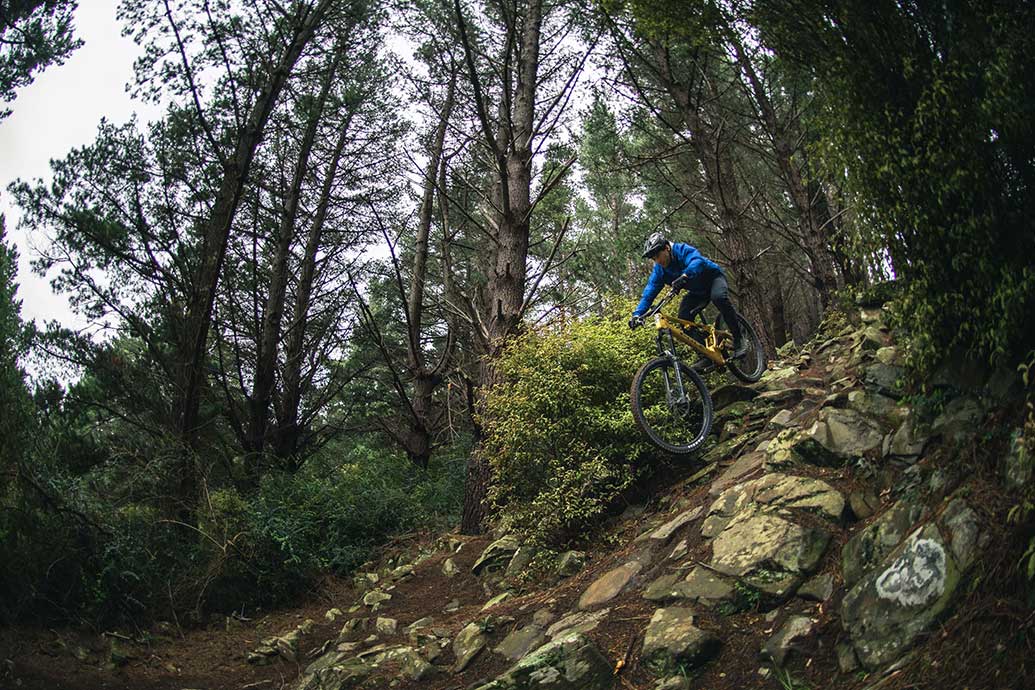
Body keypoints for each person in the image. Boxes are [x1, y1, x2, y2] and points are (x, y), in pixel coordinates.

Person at [628, 232, 746, 358]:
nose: (657, 260)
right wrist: (637, 314)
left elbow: (697, 261)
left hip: (713, 279)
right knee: (684, 320)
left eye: (658, 255)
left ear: (667, 248)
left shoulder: (681, 250)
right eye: (654, 258)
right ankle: (706, 355)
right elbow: (649, 293)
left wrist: (685, 275)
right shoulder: (659, 271)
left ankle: (739, 339)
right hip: (697, 292)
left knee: (719, 298)